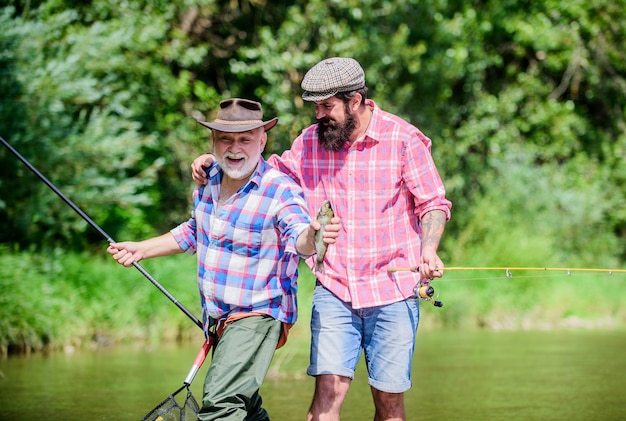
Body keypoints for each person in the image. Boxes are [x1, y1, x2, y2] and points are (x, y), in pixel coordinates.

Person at [191, 58, 452, 421]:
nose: (319, 115)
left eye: (327, 106)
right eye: (315, 106)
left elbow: (433, 204)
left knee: (389, 405)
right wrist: (216, 161)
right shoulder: (310, 142)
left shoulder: (404, 139)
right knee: (326, 399)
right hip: (335, 289)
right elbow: (263, 174)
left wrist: (428, 250)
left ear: (355, 100)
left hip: (393, 292)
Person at [108, 98, 341, 421]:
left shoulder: (280, 190)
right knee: (245, 407)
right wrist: (141, 249)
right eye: (226, 139)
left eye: (245, 139)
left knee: (220, 405)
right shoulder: (209, 181)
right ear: (213, 142)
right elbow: (195, 231)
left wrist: (314, 237)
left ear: (262, 141)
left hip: (259, 313)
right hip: (219, 319)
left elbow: (298, 237)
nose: (235, 148)